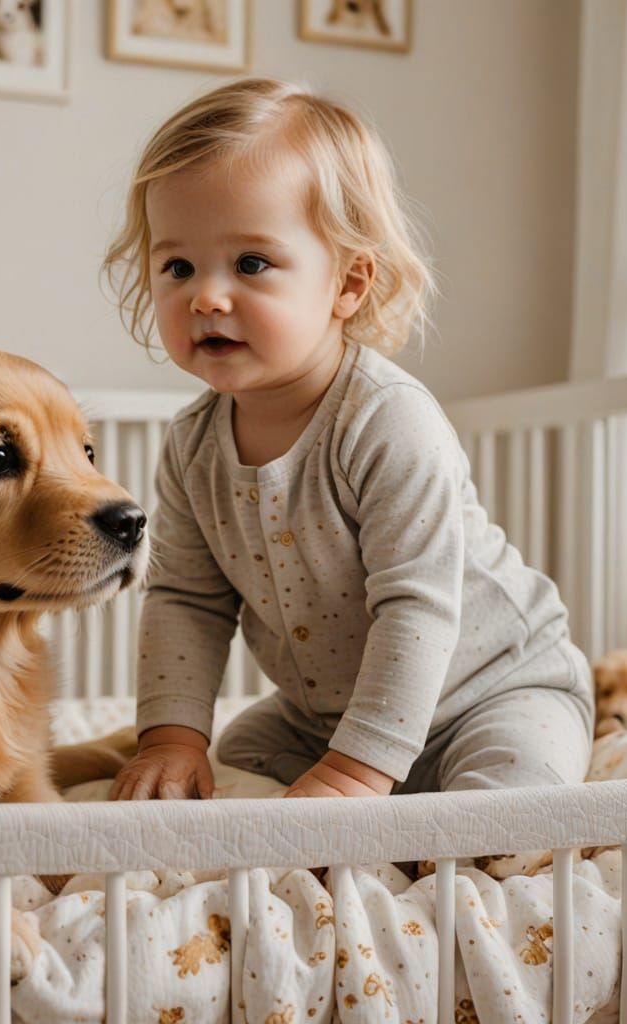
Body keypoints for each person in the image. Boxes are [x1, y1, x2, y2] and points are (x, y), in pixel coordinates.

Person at [104, 77, 594, 802]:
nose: (206, 295)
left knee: (512, 799)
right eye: (178, 266)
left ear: (349, 283)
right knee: (233, 766)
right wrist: (174, 738)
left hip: (492, 691)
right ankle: (368, 777)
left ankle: (418, 792)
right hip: (325, 718)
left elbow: (416, 607)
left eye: (250, 264)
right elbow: (186, 602)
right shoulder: (192, 447)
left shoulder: (386, 421)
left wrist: (356, 773)